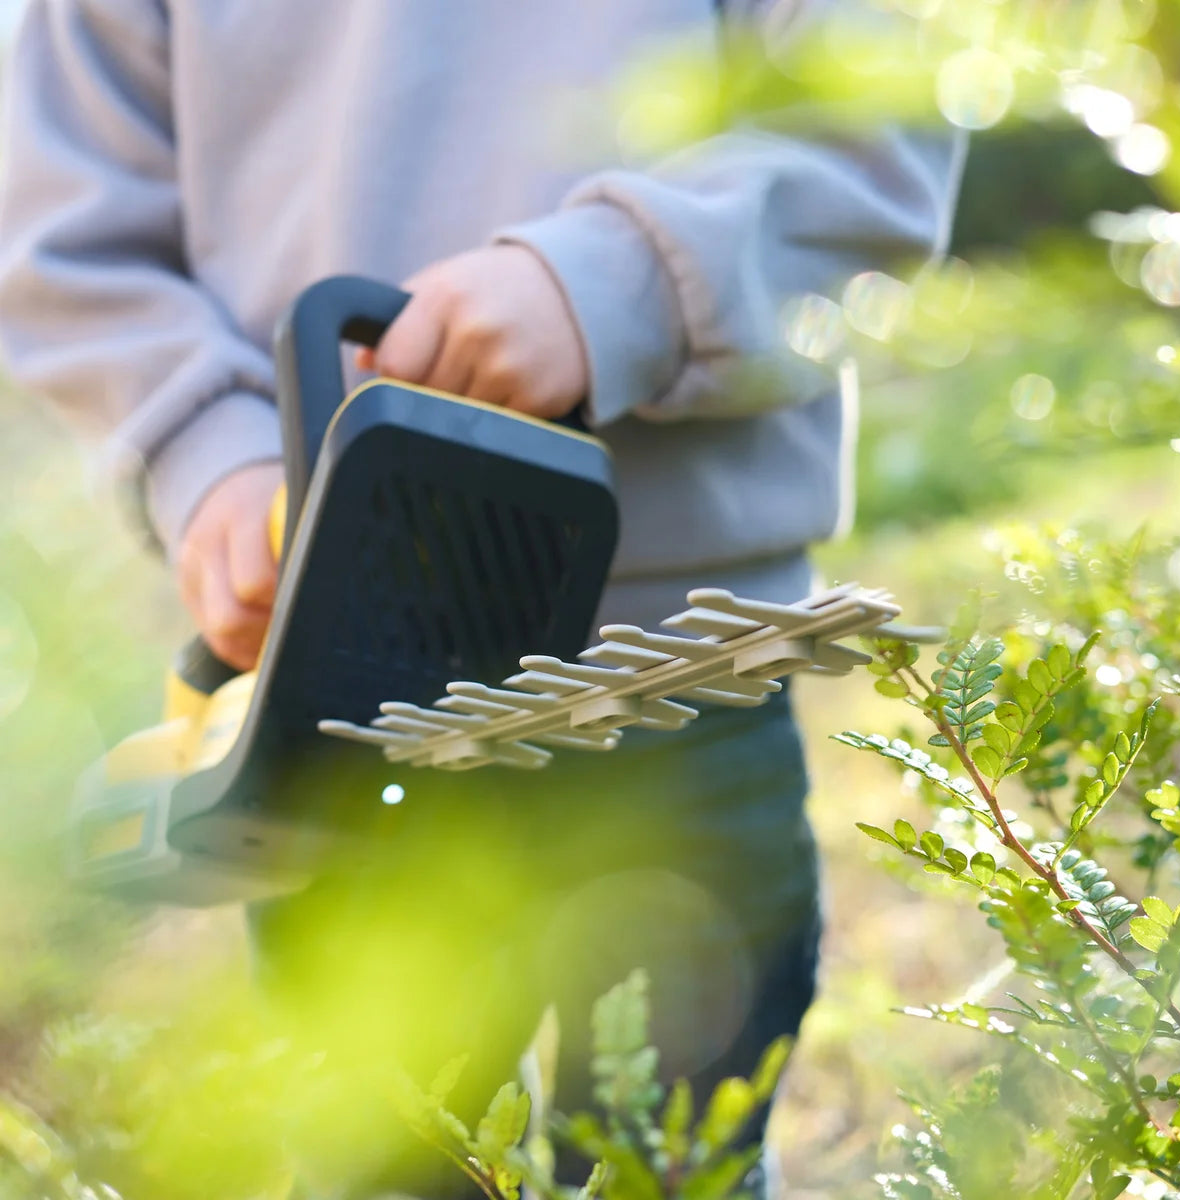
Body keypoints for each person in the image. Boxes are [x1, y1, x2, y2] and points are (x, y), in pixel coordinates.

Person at [0, 0, 963, 1195]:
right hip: (346, 695)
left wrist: (615, 286)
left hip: (678, 671)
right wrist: (210, 455)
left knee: (672, 1164)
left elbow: (883, 107)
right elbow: (64, 220)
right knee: (386, 1161)